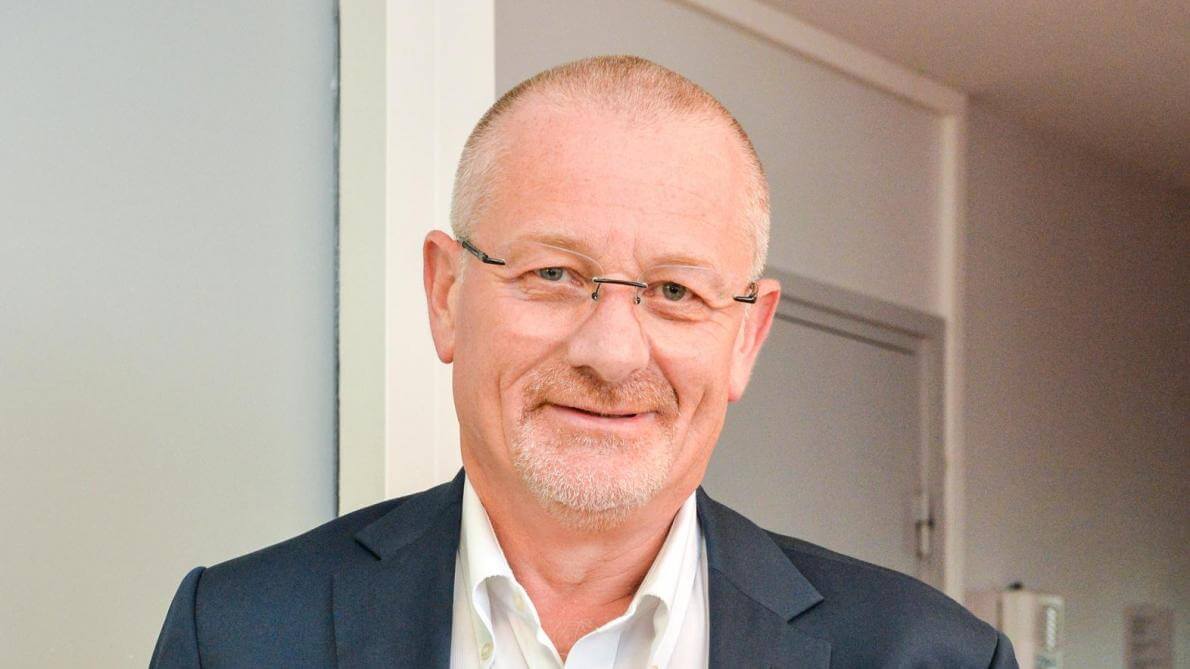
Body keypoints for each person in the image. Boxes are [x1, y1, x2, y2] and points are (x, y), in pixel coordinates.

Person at [151, 56, 1016, 668]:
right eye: (553, 274)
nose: (610, 350)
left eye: (675, 290)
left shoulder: (932, 657)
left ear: (747, 336)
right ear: (446, 294)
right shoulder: (235, 635)